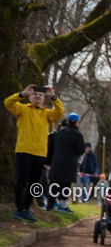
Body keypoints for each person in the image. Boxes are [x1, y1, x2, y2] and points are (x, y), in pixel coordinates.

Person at [5, 85, 64, 222]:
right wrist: (22, 93)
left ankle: (26, 208)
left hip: (40, 153)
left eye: (41, 95)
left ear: (43, 99)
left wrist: (53, 97)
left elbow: (60, 111)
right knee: (22, 179)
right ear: (30, 97)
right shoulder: (22, 109)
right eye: (35, 94)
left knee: (34, 183)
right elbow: (8, 103)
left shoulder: (47, 114)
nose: (38, 96)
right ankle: (19, 209)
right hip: (24, 150)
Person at [46, 114, 87, 213]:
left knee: (54, 184)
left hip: (56, 162)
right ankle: (62, 204)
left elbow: (50, 147)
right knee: (65, 185)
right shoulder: (78, 135)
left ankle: (50, 205)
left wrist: (48, 161)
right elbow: (81, 150)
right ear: (77, 122)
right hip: (70, 164)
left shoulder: (59, 133)